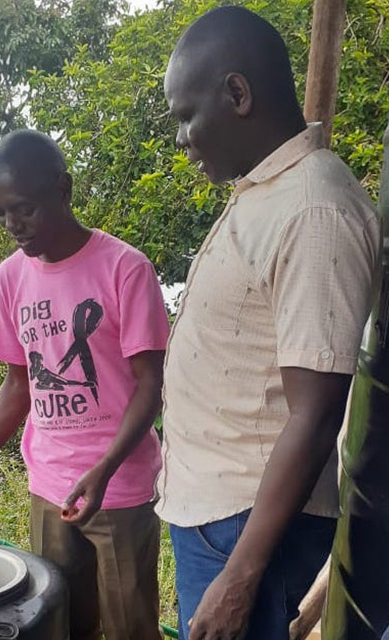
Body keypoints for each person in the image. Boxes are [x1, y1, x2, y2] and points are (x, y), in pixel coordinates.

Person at [156, 7, 380, 640]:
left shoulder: (315, 209)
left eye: (186, 115)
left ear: (237, 93)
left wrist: (240, 578)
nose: (183, 138)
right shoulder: (269, 193)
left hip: (249, 532)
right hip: (221, 518)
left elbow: (314, 415)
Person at [0, 129, 170, 640]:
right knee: (61, 623)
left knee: (132, 628)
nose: (12, 225)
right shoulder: (9, 280)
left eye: (25, 209)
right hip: (49, 486)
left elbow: (151, 385)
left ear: (63, 189)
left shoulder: (125, 270)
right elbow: (19, 385)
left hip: (120, 491)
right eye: (1, 213)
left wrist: (105, 468)